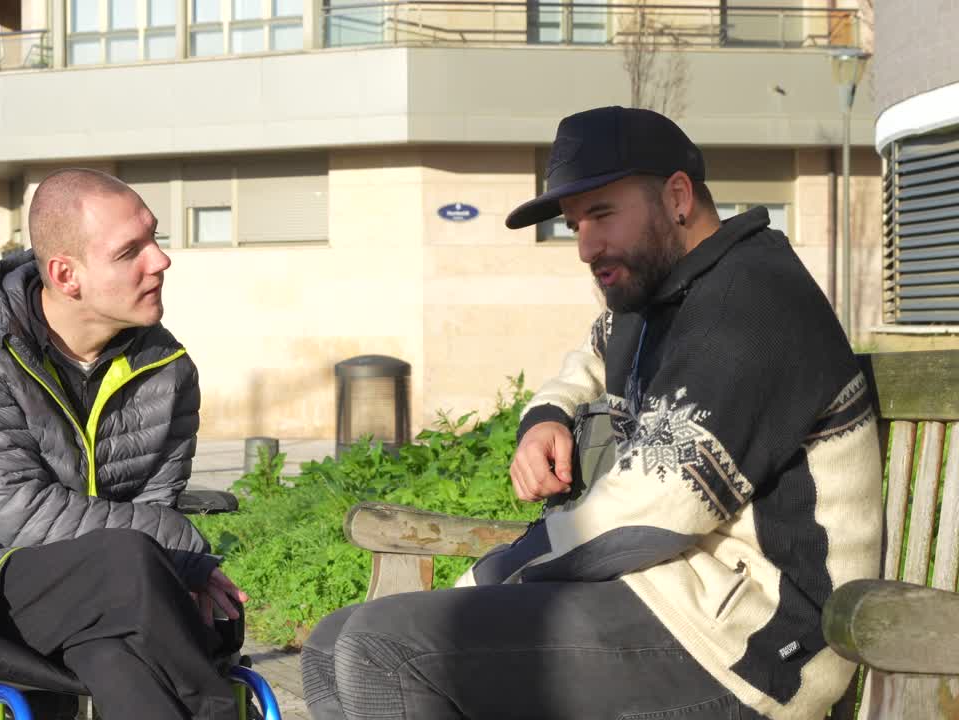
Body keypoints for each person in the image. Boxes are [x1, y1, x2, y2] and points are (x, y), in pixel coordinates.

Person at [301, 106, 883, 720]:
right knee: (330, 642)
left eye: (602, 214)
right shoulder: (660, 290)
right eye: (575, 223)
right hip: (672, 591)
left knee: (383, 651)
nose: (585, 246)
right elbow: (593, 354)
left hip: (760, 643)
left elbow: (647, 515)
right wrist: (547, 415)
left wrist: (490, 575)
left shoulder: (750, 307)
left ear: (677, 197)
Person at [0, 169, 246, 720]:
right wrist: (185, 552)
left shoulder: (167, 369)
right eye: (130, 250)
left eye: (153, 238)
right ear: (67, 275)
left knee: (117, 658)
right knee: (132, 558)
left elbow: (153, 502)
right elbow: (21, 512)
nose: (160, 261)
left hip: (113, 597)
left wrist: (172, 558)